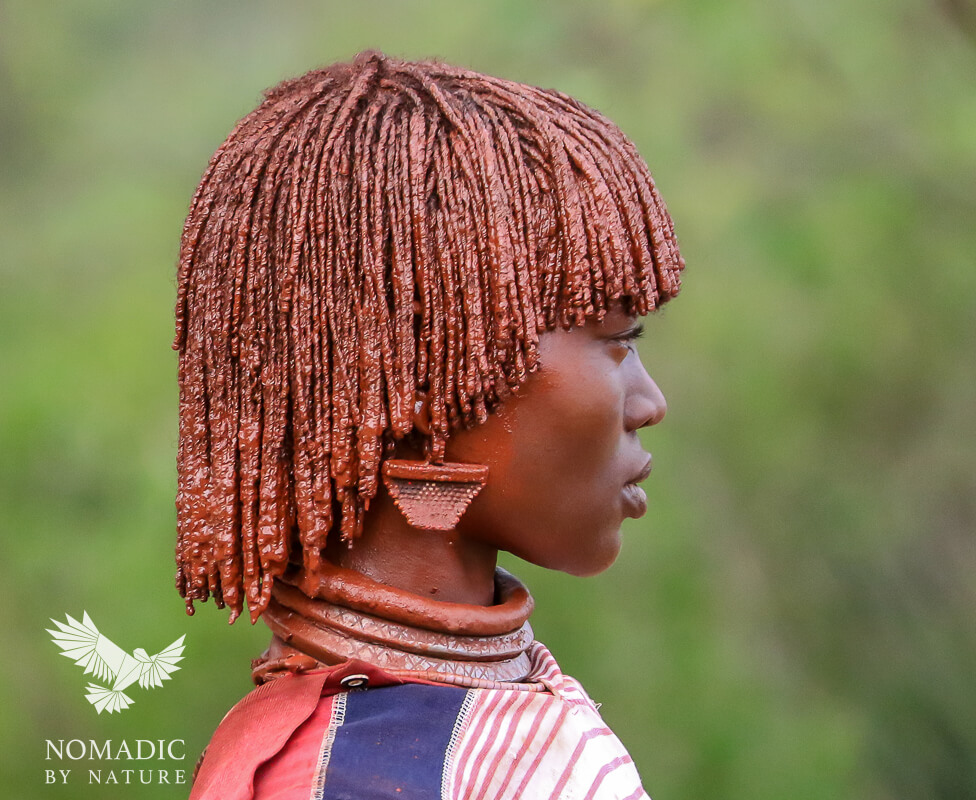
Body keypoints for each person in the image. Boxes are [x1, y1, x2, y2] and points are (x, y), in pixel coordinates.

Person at [177, 51, 683, 799]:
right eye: (617, 339)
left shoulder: (426, 742)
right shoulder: (359, 779)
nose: (650, 403)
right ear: (425, 373)